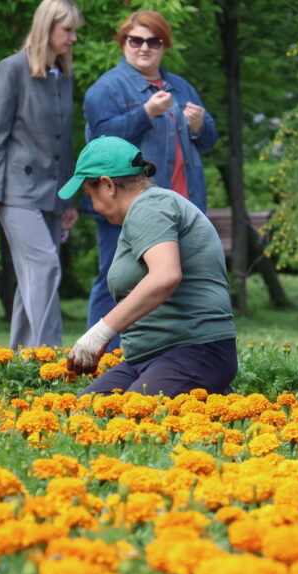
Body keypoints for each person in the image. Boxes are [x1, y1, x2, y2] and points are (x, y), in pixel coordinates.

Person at [82, 10, 218, 352]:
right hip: (125, 209)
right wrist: (146, 113)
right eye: (136, 40)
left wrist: (200, 126)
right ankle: (101, 355)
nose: (144, 48)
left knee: (176, 284)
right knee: (115, 281)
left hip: (181, 206)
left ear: (164, 45)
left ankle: (171, 353)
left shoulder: (181, 86)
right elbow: (100, 143)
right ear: (123, 43)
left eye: (154, 41)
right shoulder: (106, 89)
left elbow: (209, 141)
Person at [58, 136, 236, 397]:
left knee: (127, 418)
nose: (93, 206)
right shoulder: (145, 211)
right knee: (83, 413)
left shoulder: (149, 207)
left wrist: (101, 332)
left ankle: (212, 400)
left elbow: (165, 276)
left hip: (194, 350)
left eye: (89, 195)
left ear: (107, 185)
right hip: (148, 358)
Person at [0, 0, 82, 349]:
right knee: (45, 267)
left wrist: (69, 198)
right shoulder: (11, 70)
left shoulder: (63, 76)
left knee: (32, 280)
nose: (73, 38)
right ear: (46, 27)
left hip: (53, 194)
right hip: (15, 192)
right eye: (68, 30)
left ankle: (21, 362)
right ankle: (51, 357)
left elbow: (64, 142)